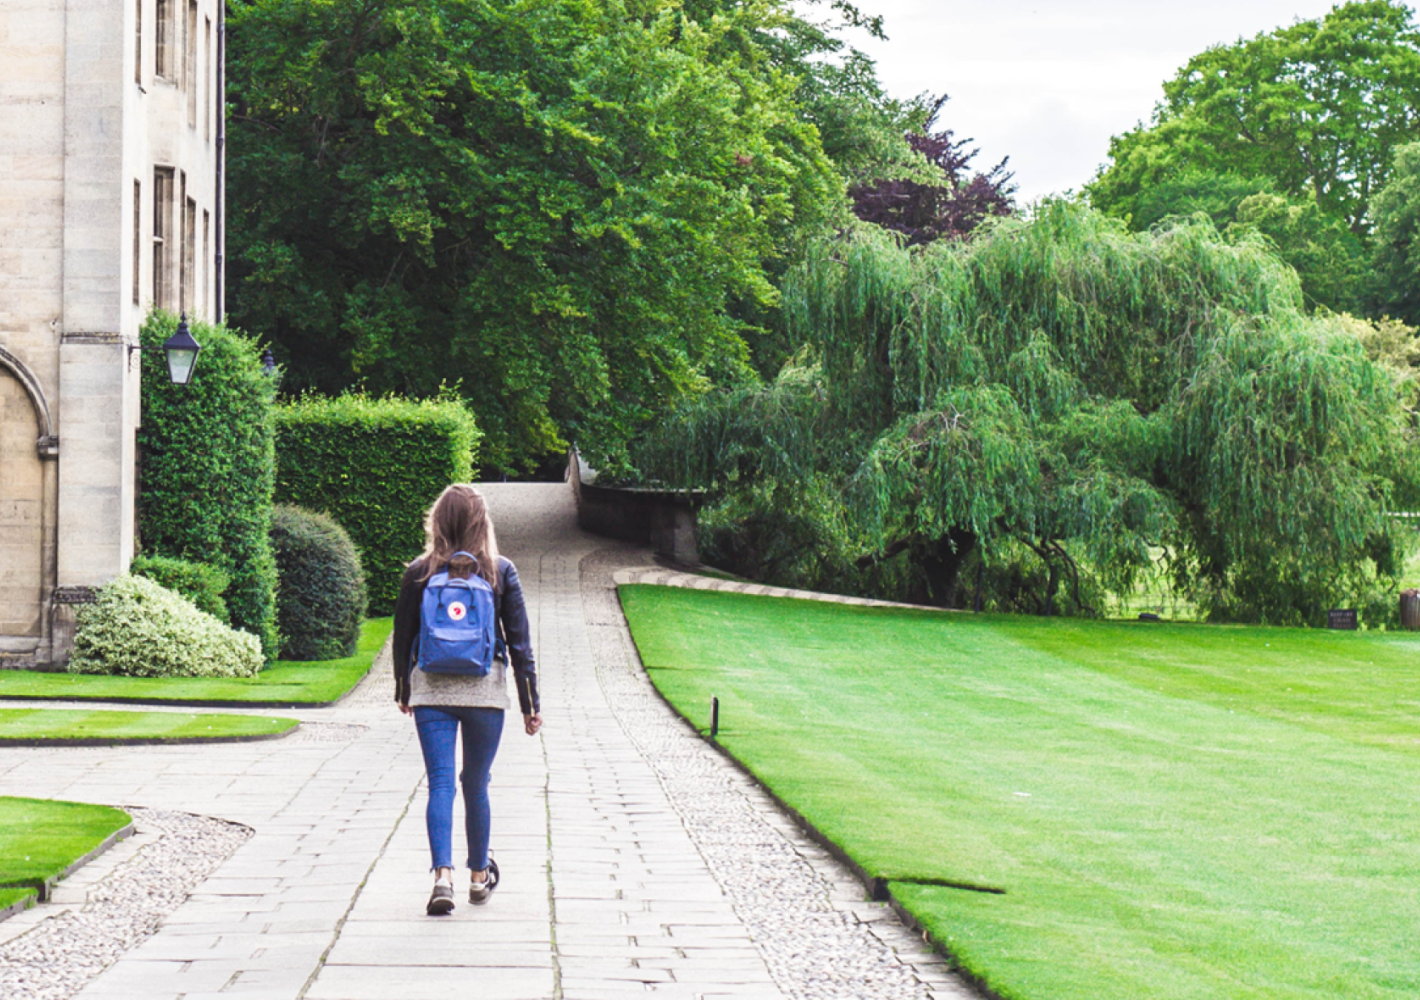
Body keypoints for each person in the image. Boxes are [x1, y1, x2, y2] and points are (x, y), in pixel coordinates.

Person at [392, 484, 542, 915]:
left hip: (432, 690)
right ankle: (479, 877)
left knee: (439, 783)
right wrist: (530, 704)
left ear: (437, 521)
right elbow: (520, 645)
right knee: (475, 783)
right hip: (485, 692)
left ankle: (443, 877)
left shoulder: (420, 572)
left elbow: (402, 640)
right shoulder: (499, 571)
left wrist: (405, 690)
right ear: (482, 522)